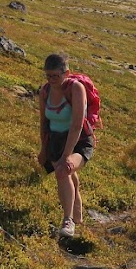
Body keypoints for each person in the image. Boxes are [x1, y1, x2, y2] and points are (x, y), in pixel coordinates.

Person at [38, 53, 95, 237]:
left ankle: (67, 221)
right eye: (48, 75)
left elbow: (77, 125)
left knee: (64, 170)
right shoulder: (45, 91)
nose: (51, 80)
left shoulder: (76, 89)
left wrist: (66, 157)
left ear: (66, 73)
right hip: (55, 140)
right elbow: (43, 122)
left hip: (79, 141)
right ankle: (78, 215)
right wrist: (43, 150)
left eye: (55, 76)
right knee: (68, 176)